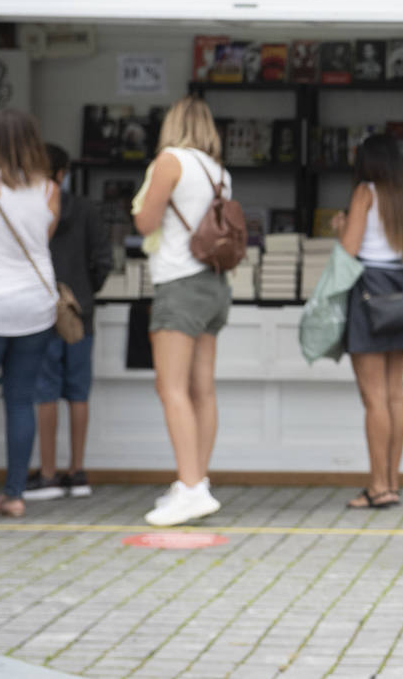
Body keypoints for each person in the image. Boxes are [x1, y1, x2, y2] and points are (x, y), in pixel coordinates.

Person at [132, 96, 231, 527]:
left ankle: (190, 488)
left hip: (179, 282)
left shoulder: (170, 161)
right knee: (201, 390)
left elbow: (145, 223)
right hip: (213, 284)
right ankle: (197, 482)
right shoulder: (219, 171)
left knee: (171, 388)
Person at [0, 109, 60, 521]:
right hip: (34, 307)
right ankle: (16, 495)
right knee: (21, 400)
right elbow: (44, 239)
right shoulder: (49, 190)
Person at [333, 133, 403, 509]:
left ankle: (378, 486)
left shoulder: (365, 192)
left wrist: (341, 227)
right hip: (401, 292)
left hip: (369, 291)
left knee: (373, 400)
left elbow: (349, 251)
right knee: (394, 394)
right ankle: (393, 482)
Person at [21, 146, 112, 501]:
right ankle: (77, 471)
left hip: (40, 310)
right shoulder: (87, 209)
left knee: (44, 393)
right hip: (79, 314)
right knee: (78, 393)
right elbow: (104, 261)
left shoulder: (29, 211)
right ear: (63, 172)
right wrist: (84, 294)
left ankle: (47, 474)